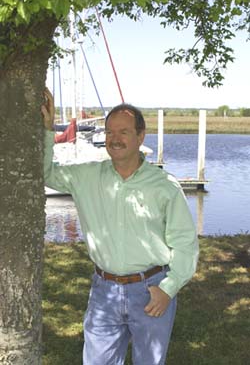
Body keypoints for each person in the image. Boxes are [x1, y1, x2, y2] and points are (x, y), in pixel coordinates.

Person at [41, 88, 199, 365]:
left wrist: (168, 288)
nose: (115, 139)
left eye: (123, 132)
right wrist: (47, 129)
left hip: (151, 289)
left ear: (140, 136)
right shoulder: (86, 176)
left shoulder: (164, 187)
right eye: (110, 132)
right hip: (104, 291)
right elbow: (46, 172)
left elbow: (185, 243)